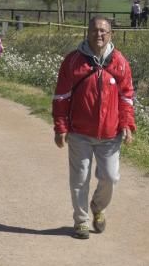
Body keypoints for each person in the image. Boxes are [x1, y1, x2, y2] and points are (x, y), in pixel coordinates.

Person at [52, 16, 136, 240]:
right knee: (79, 179)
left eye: (103, 31)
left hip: (110, 134)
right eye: (94, 30)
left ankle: (98, 208)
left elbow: (127, 97)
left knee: (110, 176)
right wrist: (60, 126)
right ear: (87, 32)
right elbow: (61, 96)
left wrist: (127, 124)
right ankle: (81, 221)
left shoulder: (119, 62)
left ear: (111, 34)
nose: (98, 34)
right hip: (80, 132)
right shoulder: (73, 61)